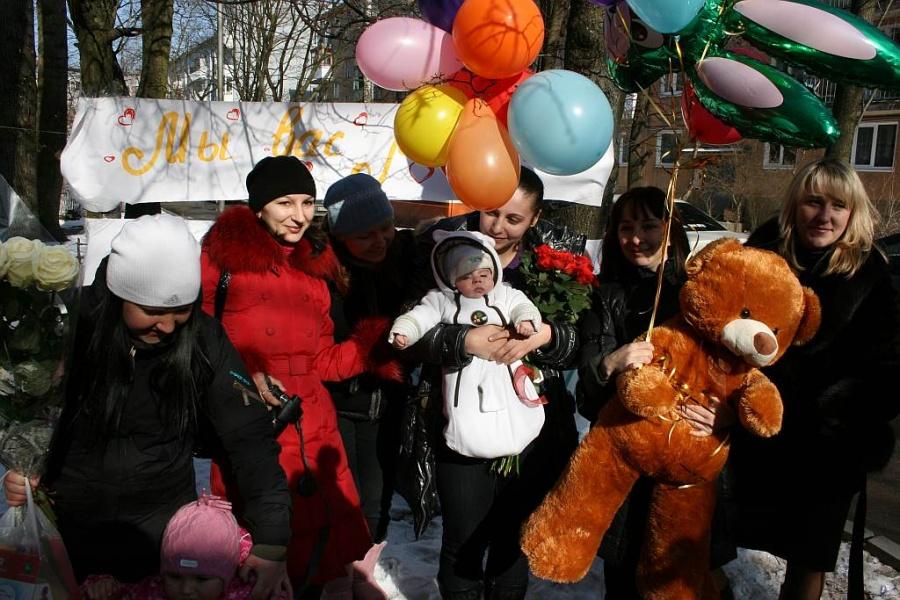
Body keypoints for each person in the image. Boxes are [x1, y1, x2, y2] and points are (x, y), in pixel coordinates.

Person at [4, 214, 292, 600]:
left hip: (164, 538)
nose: (169, 326)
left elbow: (250, 437)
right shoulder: (69, 328)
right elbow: (28, 410)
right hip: (68, 527)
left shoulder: (204, 338)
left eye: (181, 310)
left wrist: (271, 540)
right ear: (120, 294)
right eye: (153, 311)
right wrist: (24, 468)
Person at [200, 156, 392, 598]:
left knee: (316, 567)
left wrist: (375, 345)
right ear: (259, 207)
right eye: (285, 203)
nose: (299, 215)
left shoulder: (315, 267)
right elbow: (199, 340)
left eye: (307, 202)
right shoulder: (222, 260)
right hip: (254, 424)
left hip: (315, 425)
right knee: (262, 559)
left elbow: (321, 361)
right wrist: (245, 376)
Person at [405, 166, 582, 600]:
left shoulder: (554, 264)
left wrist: (547, 337)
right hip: (459, 423)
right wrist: (462, 340)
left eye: (513, 219)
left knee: (513, 541)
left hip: (530, 425)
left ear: (535, 219)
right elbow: (412, 332)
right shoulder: (444, 253)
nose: (498, 227)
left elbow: (580, 341)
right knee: (463, 541)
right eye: (491, 212)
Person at [731, 158, 900, 600]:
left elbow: (889, 370)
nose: (825, 216)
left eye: (838, 206)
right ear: (795, 205)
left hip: (827, 451)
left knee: (809, 557)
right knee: (716, 539)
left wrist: (841, 417)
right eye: (814, 202)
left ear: (852, 213)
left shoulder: (869, 274)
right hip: (756, 437)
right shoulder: (759, 255)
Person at [577, 187, 738, 598]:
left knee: (688, 580)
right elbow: (587, 397)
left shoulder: (698, 294)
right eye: (626, 227)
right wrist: (610, 364)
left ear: (670, 231)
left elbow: (734, 375)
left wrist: (726, 414)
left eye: (649, 226)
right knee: (625, 580)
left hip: (688, 464)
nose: (636, 238)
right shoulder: (603, 296)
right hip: (628, 467)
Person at [391, 230, 545, 459]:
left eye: (484, 274)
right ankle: (469, 439)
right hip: (464, 370)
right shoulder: (442, 300)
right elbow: (421, 316)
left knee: (513, 405)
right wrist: (405, 331)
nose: (478, 280)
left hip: (504, 367)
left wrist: (526, 320)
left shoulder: (505, 294)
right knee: (467, 411)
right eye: (467, 276)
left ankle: (519, 433)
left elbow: (523, 305)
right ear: (452, 280)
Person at [80, 494, 288, 600]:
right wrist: (101, 587)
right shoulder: (153, 592)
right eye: (174, 576)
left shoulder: (248, 595)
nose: (186, 590)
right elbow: (122, 593)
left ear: (227, 574)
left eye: (202, 579)